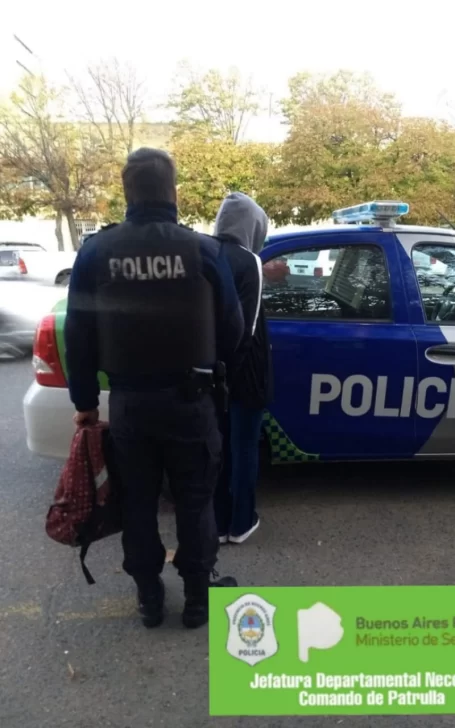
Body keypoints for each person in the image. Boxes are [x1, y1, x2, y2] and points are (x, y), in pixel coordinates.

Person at [64, 148, 244, 629]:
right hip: (192, 401)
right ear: (173, 191)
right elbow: (233, 329)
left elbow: (78, 335)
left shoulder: (96, 252)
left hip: (130, 406)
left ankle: (149, 596)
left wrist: (84, 403)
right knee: (195, 499)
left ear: (127, 192)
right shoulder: (203, 250)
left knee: (137, 502)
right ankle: (198, 598)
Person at [212, 192, 273, 544]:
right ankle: (241, 523)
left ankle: (219, 524)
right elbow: (247, 328)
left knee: (219, 451)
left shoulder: (205, 253)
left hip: (210, 374)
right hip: (244, 373)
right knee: (246, 447)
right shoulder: (249, 261)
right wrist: (234, 376)